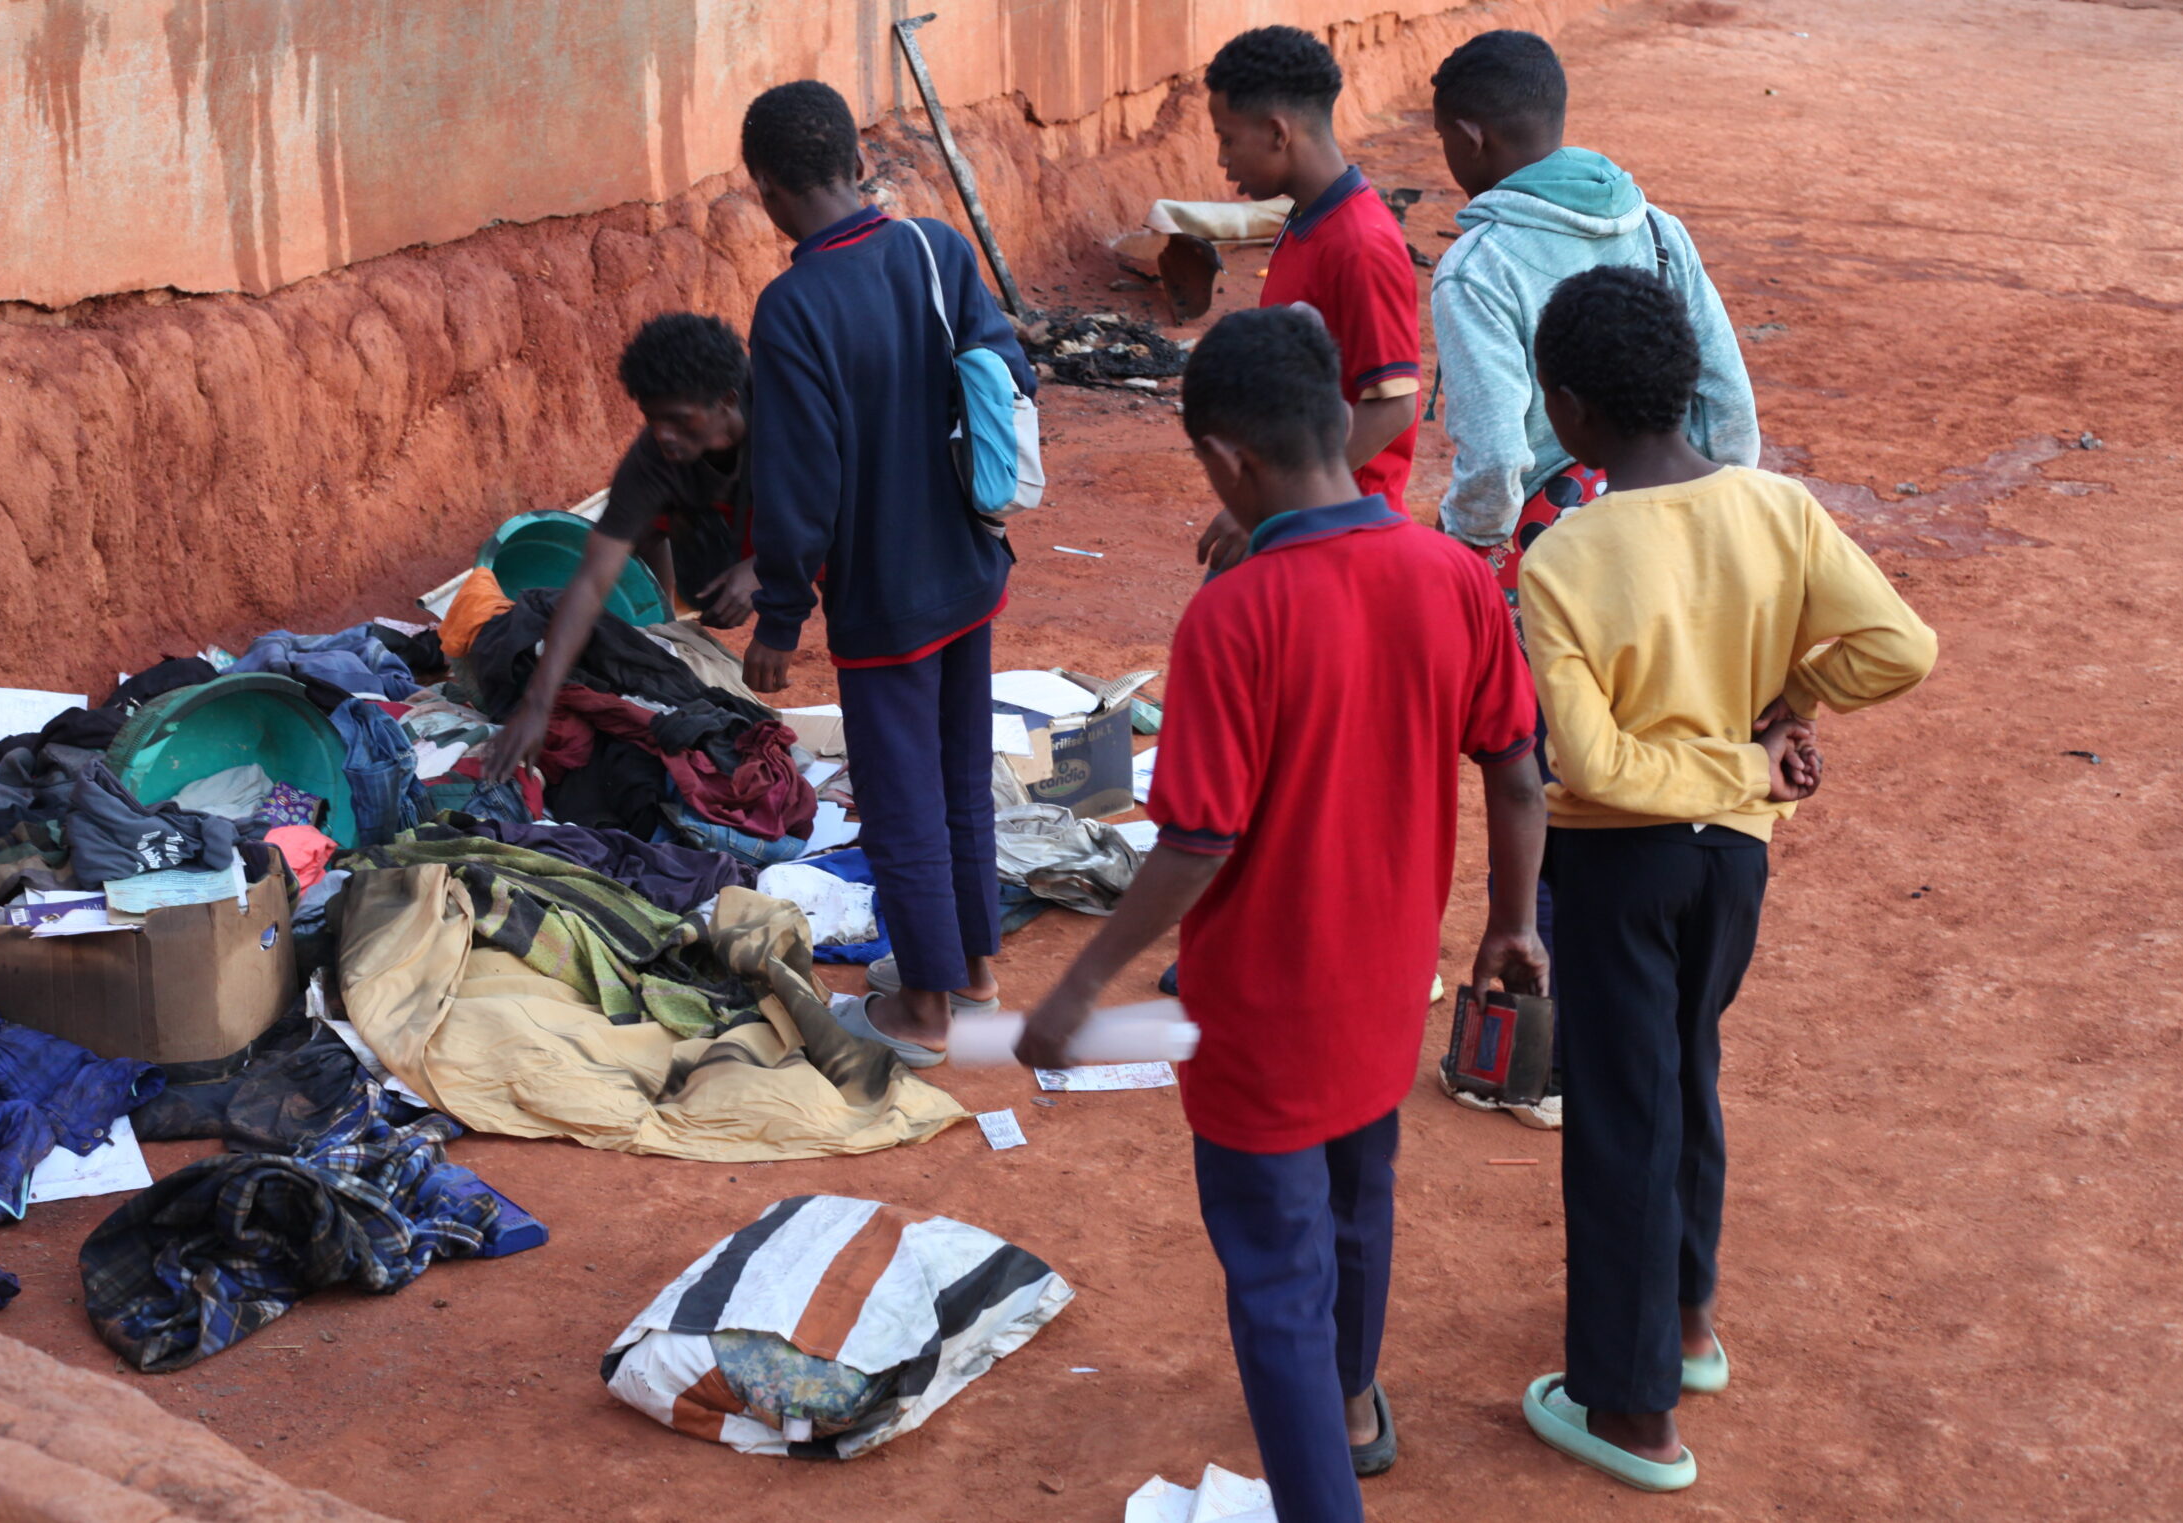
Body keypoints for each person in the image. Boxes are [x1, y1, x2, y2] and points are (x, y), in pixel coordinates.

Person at [1017, 306, 1549, 1522]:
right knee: (1359, 1206)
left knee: (1272, 1282)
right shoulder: (1455, 577)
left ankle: (1324, 1485)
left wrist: (1080, 984)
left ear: (1227, 462)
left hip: (1260, 1018)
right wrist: (1512, 925)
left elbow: (1198, 840)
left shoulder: (1233, 615)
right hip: (1385, 988)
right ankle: (1354, 1404)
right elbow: (1516, 769)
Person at [1512, 266, 1934, 1492]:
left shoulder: (1565, 558)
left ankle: (1633, 1411)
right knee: (1686, 1073)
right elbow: (1899, 645)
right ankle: (1687, 1326)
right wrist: (1777, 724)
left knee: (1616, 1121)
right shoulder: (1777, 508)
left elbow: (1584, 763)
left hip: (1616, 864)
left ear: (1570, 408)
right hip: (1733, 861)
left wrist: (1731, 755)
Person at [734, 79, 1037, 1068]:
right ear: (853, 162)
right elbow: (1008, 377)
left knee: (901, 798)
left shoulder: (792, 308)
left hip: (883, 598)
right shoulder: (935, 249)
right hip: (967, 564)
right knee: (959, 778)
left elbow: (797, 482)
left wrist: (780, 617)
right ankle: (972, 971)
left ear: (770, 186)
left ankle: (924, 1016)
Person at [1427, 29, 1760, 610]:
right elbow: (1726, 401)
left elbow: (1496, 456)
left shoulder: (1477, 267)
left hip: (1545, 559)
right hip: (1665, 530)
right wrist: (1711, 515)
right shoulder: (1657, 230)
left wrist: (1462, 542)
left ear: (1470, 137)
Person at [479, 313, 757, 775]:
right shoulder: (654, 457)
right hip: (725, 517)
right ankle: (667, 619)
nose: (663, 434)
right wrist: (537, 702)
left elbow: (852, 506)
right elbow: (591, 581)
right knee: (644, 525)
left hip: (819, 523)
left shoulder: (793, 419)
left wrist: (765, 571)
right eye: (652, 418)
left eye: (679, 420)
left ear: (728, 400)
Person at [1195, 26, 1423, 574]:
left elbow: (1393, 405)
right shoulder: (1305, 219)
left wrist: (1278, 504)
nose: (1223, 160)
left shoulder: (1360, 243)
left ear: (1277, 132)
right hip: (1298, 516)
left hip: (1342, 530)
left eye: (1228, 139)